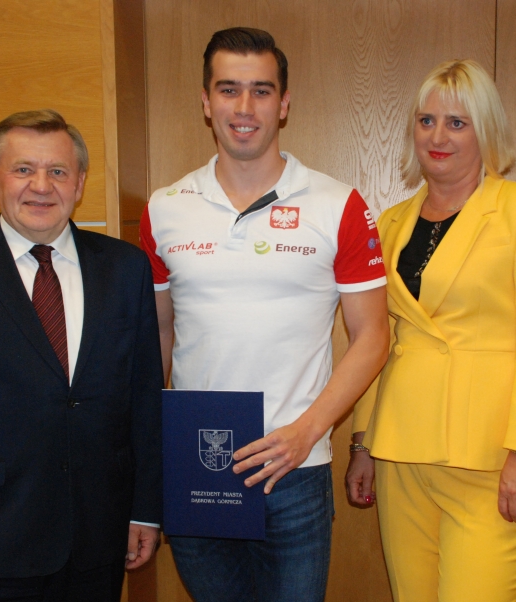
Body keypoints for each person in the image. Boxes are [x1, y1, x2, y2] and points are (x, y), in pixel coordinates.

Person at [140, 27, 389, 602]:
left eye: (261, 90)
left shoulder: (338, 205)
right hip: (199, 461)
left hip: (295, 466)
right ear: (207, 102)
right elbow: (158, 332)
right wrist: (152, 448)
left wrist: (307, 432)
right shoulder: (164, 207)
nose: (245, 107)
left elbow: (373, 337)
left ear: (284, 103)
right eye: (229, 89)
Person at [0, 109, 163, 602]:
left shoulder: (126, 269)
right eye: (23, 169)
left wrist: (144, 510)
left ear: (79, 183)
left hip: (98, 540)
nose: (41, 186)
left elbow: (144, 399)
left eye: (58, 171)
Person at [345, 59, 516, 602]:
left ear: (485, 130)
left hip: (491, 458)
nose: (438, 137)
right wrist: (362, 440)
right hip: (401, 450)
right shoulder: (391, 222)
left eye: (457, 123)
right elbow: (378, 340)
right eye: (426, 121)